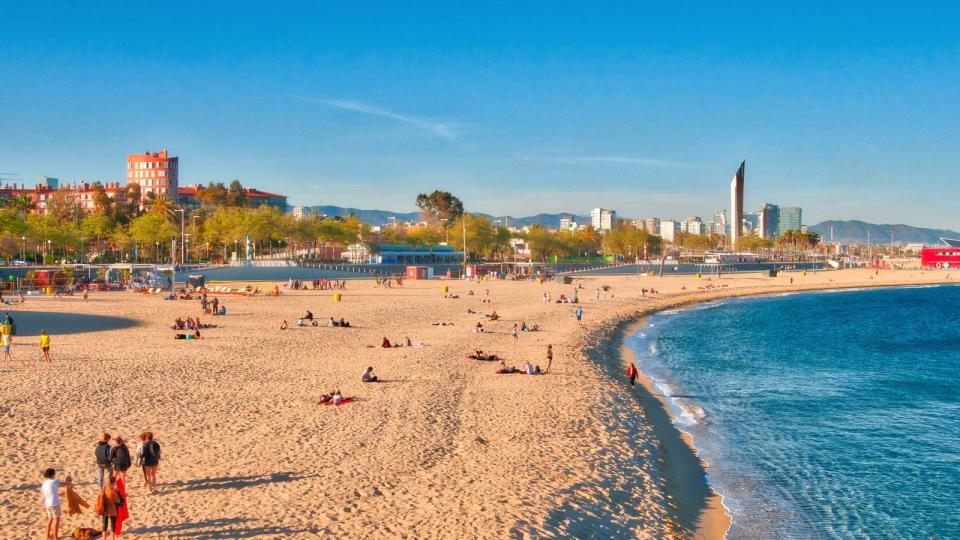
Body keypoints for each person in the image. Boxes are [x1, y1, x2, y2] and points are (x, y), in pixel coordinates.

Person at [41, 467, 65, 540]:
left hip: (47, 504)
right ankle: (55, 536)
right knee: (57, 520)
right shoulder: (54, 481)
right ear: (53, 474)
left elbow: (49, 493)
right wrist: (69, 481)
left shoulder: (44, 483)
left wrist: (59, 494)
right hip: (54, 504)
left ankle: (47, 535)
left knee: (50, 519)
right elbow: (64, 483)